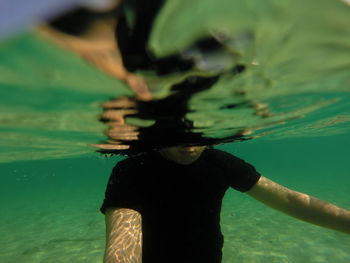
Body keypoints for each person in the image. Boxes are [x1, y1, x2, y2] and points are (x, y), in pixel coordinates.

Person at [100, 145, 350, 263]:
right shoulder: (132, 171)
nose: (190, 144)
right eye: (177, 133)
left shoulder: (219, 163)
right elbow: (122, 246)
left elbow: (289, 200)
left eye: (199, 132)